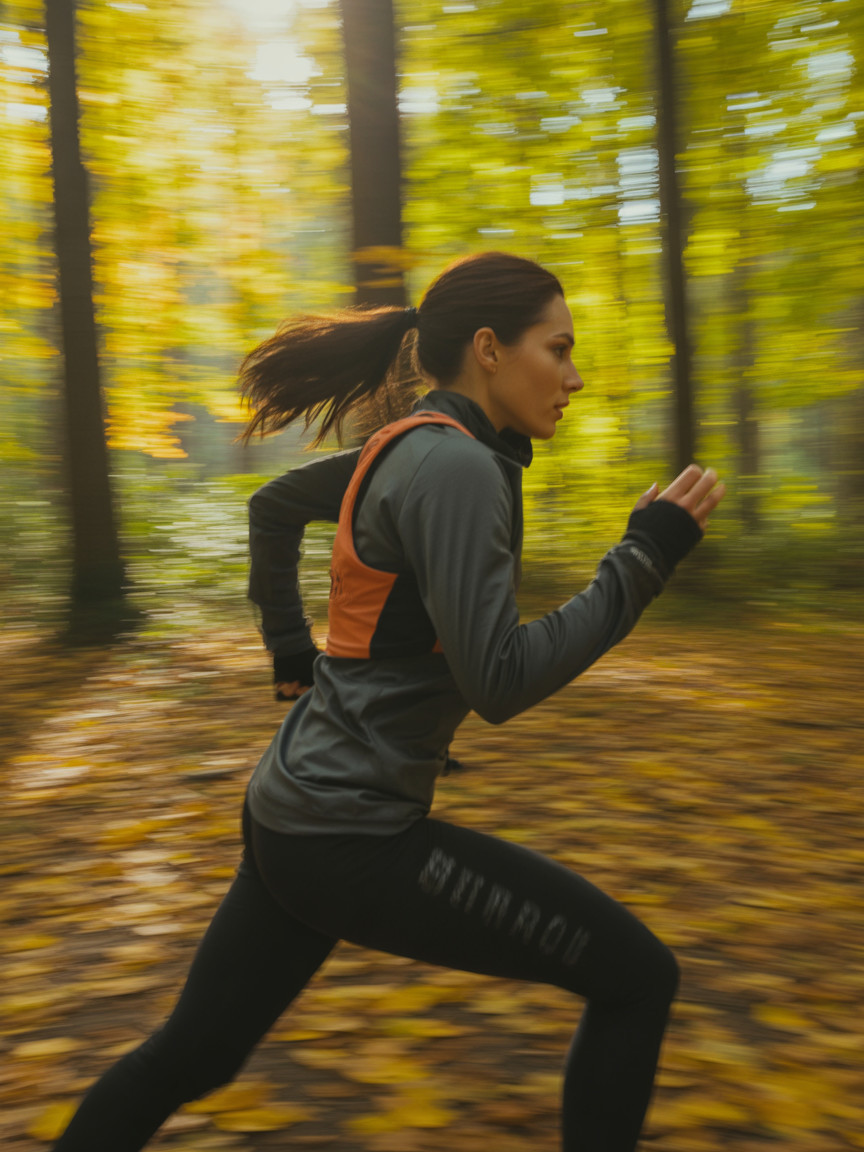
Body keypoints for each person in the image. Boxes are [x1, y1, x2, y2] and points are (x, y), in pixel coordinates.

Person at [55, 252, 724, 1152]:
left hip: (294, 810)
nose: (573, 376)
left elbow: (302, 532)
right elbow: (500, 680)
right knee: (637, 978)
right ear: (488, 349)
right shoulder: (456, 470)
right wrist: (640, 562)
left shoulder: (411, 444)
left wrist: (296, 651)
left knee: (192, 1057)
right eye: (557, 349)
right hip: (348, 835)